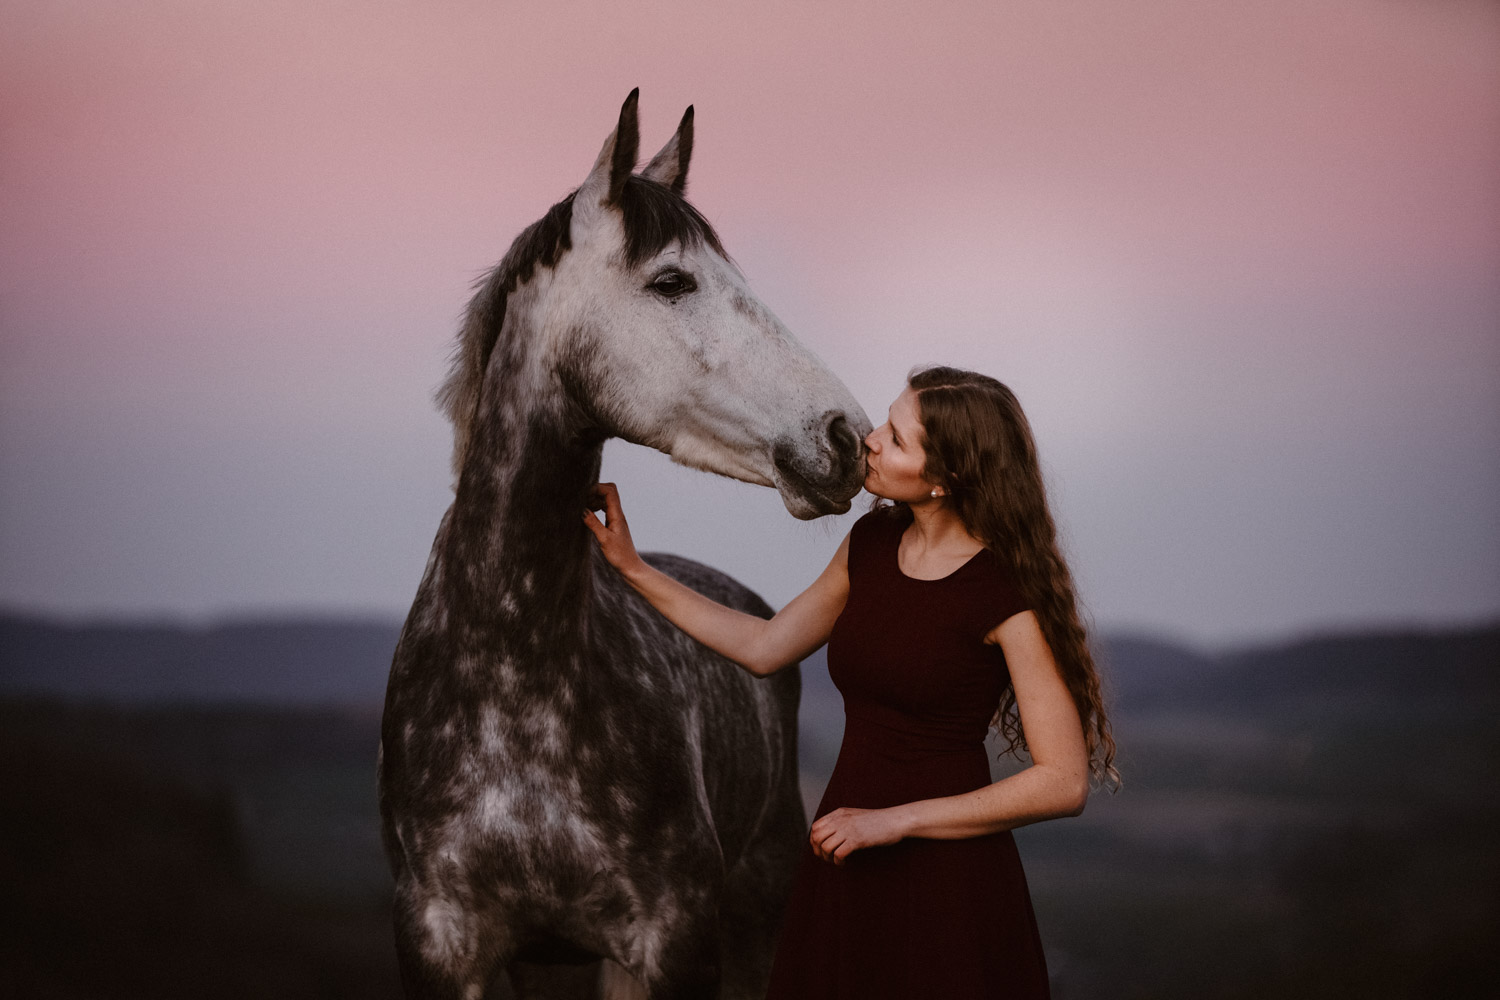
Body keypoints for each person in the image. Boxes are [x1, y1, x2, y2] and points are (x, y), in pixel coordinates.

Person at [583, 366, 1117, 999]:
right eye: (884, 421)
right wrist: (634, 569)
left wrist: (895, 822)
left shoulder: (1006, 593)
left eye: (895, 437)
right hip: (845, 850)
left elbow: (1063, 782)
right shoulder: (870, 542)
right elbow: (764, 645)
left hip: (948, 877)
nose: (869, 437)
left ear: (943, 479)